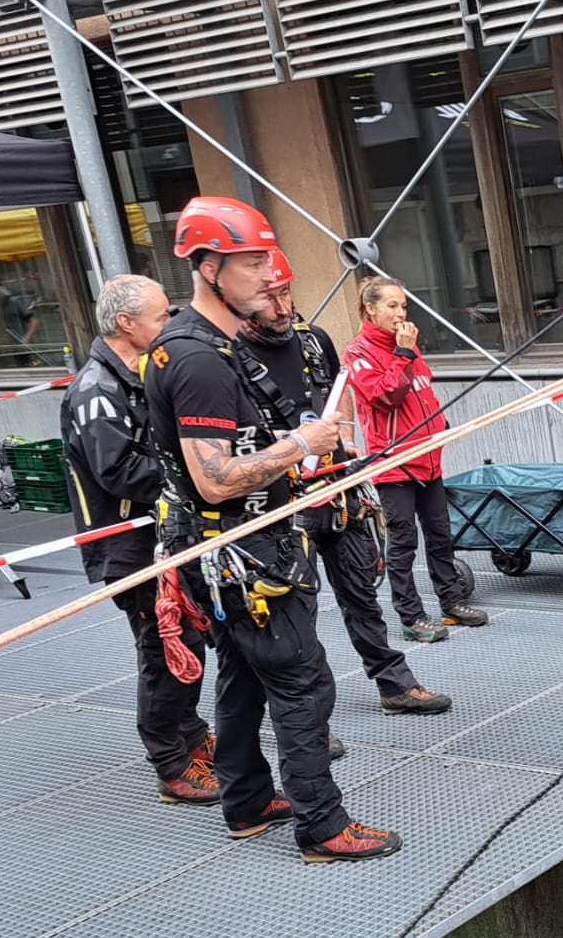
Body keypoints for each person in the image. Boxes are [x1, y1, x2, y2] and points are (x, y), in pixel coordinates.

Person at [144, 195, 403, 863]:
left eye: (266, 258)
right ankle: (322, 825)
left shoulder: (207, 347)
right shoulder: (198, 359)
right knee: (303, 681)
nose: (268, 274)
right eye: (252, 261)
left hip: (231, 547)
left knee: (242, 677)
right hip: (246, 551)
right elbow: (213, 479)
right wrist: (303, 443)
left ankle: (249, 801)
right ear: (206, 267)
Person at [240, 250, 454, 719]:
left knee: (361, 595)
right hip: (282, 500)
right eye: (267, 298)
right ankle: (304, 717)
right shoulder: (229, 354)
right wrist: (291, 445)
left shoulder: (313, 340)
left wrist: (349, 444)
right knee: (294, 613)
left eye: (285, 294)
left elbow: (336, 401)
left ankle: (394, 683)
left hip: (336, 490)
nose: (281, 307)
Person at [62, 273, 215, 806]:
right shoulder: (95, 389)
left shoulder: (140, 372)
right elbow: (121, 470)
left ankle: (192, 736)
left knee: (189, 639)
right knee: (163, 646)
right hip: (127, 546)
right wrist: (196, 472)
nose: (169, 322)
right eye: (160, 315)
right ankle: (170, 763)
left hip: (165, 533)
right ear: (126, 324)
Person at [345, 277, 485, 643]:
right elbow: (386, 396)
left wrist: (441, 426)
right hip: (395, 464)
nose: (400, 313)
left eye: (403, 306)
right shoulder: (359, 352)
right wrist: (403, 354)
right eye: (392, 306)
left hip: (428, 457)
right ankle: (411, 615)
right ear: (370, 309)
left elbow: (422, 393)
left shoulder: (407, 344)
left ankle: (451, 601)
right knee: (403, 543)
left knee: (441, 535)